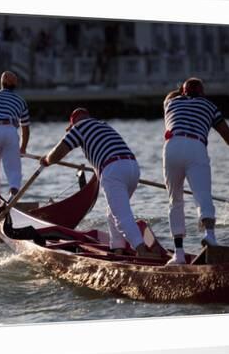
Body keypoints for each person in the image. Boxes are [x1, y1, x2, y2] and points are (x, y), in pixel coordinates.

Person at [40, 108, 157, 258]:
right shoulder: (103, 125)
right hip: (132, 167)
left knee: (121, 216)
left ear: (73, 123)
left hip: (113, 169)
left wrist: (46, 160)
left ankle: (142, 251)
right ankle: (118, 249)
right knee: (113, 212)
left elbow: (57, 154)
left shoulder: (79, 127)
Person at [163, 77, 229, 265]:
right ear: (202, 93)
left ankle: (178, 254)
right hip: (196, 146)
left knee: (175, 200)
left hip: (172, 146)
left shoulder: (171, 102)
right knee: (203, 196)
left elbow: (171, 95)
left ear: (183, 92)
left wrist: (179, 91)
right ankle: (209, 235)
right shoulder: (209, 106)